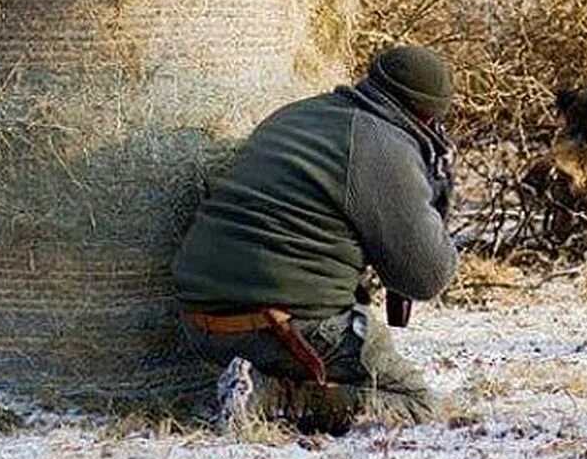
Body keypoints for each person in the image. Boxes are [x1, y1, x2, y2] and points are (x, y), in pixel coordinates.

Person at [171, 45, 459, 435]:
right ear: (427, 115)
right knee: (416, 404)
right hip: (282, 328)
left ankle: (252, 380)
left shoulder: (298, 113)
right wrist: (435, 194)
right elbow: (426, 277)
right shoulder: (383, 145)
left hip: (199, 323)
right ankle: (270, 398)